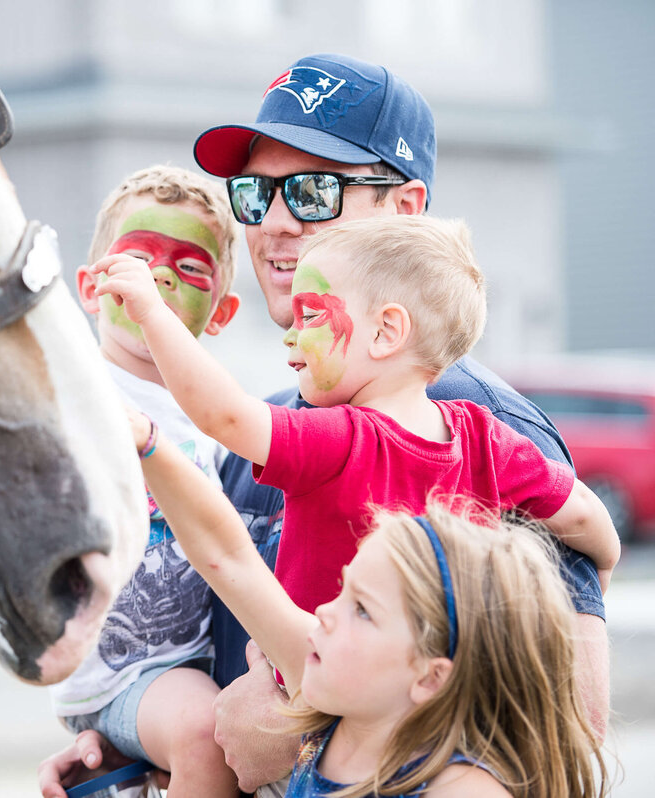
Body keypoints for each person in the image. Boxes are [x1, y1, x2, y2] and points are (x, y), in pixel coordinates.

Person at [39, 52, 609, 798]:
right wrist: (138, 745)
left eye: (312, 191)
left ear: (405, 212)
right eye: (255, 192)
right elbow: (214, 652)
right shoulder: (261, 434)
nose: (275, 223)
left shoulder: (484, 439)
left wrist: (296, 738)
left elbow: (566, 734)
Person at [92, 211, 618, 619]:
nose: (290, 334)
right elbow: (585, 519)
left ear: (387, 332)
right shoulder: (487, 439)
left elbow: (225, 417)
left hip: (326, 705)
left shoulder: (341, 441)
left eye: (313, 313)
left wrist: (152, 313)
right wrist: (605, 569)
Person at [126, 409, 607, 797]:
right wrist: (148, 442)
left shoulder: (462, 789)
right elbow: (227, 555)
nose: (325, 613)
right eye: (344, 591)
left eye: (362, 610)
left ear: (429, 675)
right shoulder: (326, 687)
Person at [47, 165, 241, 796]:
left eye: (189, 270)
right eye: (137, 259)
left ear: (220, 313)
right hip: (121, 673)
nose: (158, 277)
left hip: (191, 658)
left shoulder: (216, 412)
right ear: (89, 286)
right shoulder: (77, 392)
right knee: (205, 733)